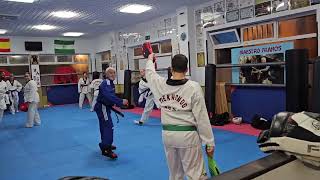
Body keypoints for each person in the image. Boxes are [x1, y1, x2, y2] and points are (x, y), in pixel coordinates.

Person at [145, 54, 215, 179]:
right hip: (187, 136)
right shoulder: (193, 87)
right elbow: (202, 117)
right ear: (187, 70)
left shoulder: (160, 84)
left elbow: (149, 73)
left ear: (171, 69)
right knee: (195, 174)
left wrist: (150, 59)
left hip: (168, 135)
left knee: (175, 175)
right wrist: (209, 142)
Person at [94, 67, 128, 159]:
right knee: (109, 126)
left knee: (104, 126)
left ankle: (104, 144)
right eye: (110, 73)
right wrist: (121, 101)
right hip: (102, 107)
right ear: (106, 74)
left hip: (104, 107)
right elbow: (108, 96)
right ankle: (107, 149)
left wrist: (116, 103)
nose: (113, 75)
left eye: (114, 73)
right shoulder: (106, 83)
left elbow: (110, 96)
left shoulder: (110, 83)